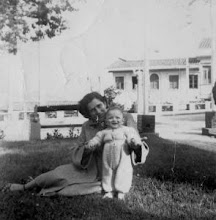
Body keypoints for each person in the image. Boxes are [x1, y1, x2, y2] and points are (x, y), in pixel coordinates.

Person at [1, 92, 149, 197]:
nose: (98, 111)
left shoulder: (125, 118)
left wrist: (136, 146)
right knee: (57, 174)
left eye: (99, 106)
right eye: (93, 110)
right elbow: (78, 149)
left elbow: (135, 141)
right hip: (90, 168)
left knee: (69, 191)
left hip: (116, 169)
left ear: (105, 103)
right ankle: (25, 186)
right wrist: (88, 149)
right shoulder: (87, 126)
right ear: (87, 114)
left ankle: (105, 188)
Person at [87, 105, 146, 200]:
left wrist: (135, 142)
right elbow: (97, 139)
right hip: (107, 157)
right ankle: (109, 190)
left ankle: (121, 191)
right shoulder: (104, 132)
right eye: (110, 118)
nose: (114, 120)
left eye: (117, 117)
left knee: (123, 172)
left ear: (122, 120)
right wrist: (92, 143)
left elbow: (132, 137)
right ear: (106, 121)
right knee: (107, 172)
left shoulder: (126, 130)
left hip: (123, 155)